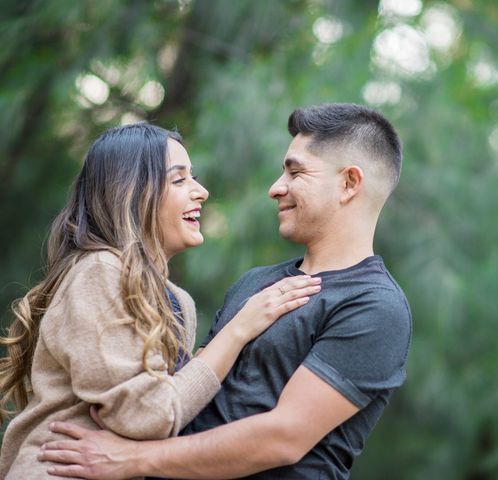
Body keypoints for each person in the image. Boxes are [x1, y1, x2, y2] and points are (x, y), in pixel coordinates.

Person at [39, 103, 412, 479]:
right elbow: (185, 391)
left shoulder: (374, 305)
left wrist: (134, 459)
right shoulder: (254, 285)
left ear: (349, 183)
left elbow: (284, 437)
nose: (276, 188)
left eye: (295, 172)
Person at [0, 123, 320, 480]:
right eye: (179, 180)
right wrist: (238, 331)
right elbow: (149, 415)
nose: (201, 191)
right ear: (131, 192)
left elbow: (176, 409)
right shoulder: (100, 272)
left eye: (193, 179)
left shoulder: (177, 301)